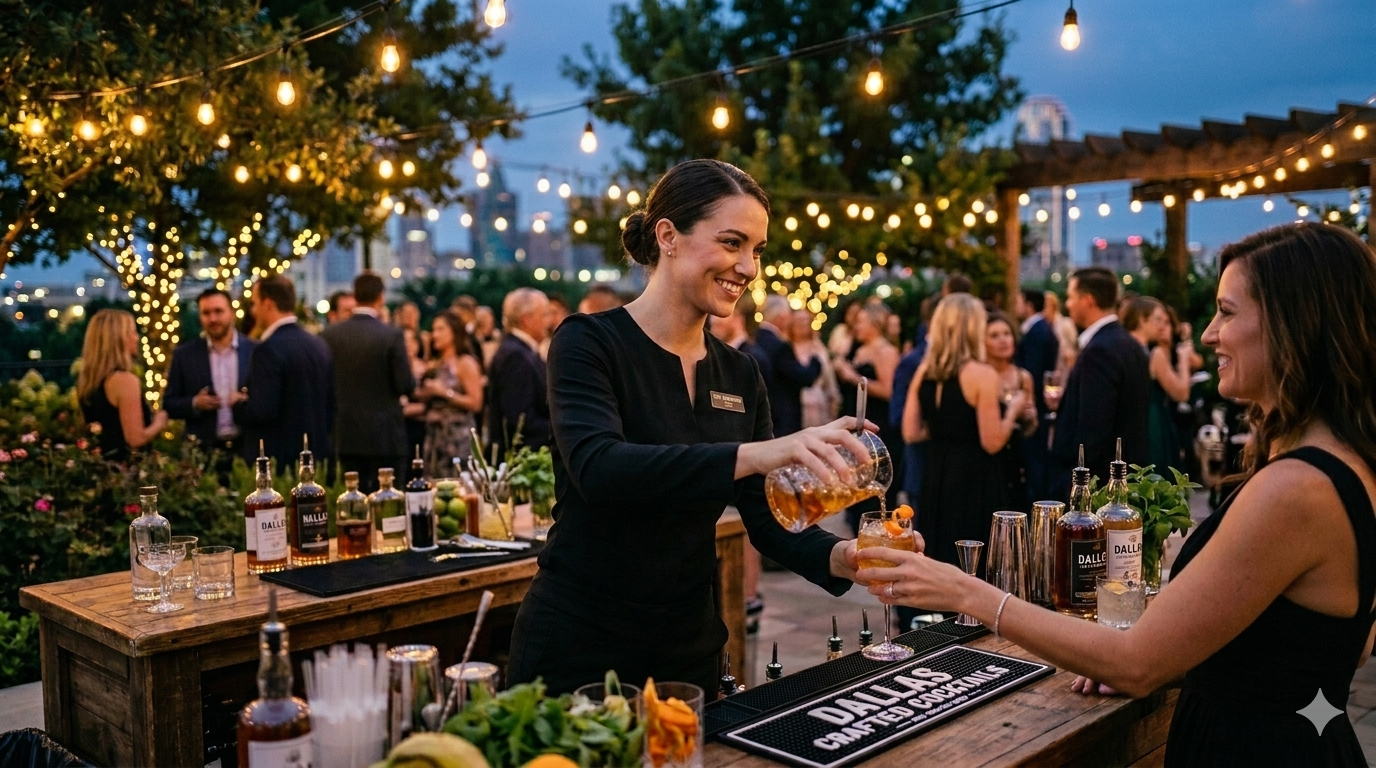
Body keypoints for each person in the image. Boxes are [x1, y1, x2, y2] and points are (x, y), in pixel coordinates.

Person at [863, 222, 1376, 766]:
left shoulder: (1297, 488)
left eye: (1226, 311)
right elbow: (1328, 647)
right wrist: (1179, 652)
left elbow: (1136, 662)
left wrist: (966, 592)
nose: (1207, 333)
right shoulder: (1346, 463)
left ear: (1294, 324)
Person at [510, 159, 868, 694]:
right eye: (731, 242)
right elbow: (601, 469)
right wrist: (759, 453)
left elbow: (767, 518)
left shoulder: (740, 372)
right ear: (668, 236)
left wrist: (847, 558)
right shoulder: (589, 342)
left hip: (688, 651)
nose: (747, 267)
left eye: (757, 250)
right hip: (580, 649)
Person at [901, 294, 1026, 572]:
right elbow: (992, 442)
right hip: (974, 478)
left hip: (937, 474)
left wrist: (945, 430)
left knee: (940, 558)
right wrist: (1014, 411)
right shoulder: (982, 374)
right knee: (974, 567)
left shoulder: (925, 371)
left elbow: (911, 431)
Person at [1049, 266, 1150, 484]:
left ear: (1087, 300)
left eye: (1070, 297)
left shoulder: (1099, 351)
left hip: (1099, 485)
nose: (1068, 304)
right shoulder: (1129, 343)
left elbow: (1094, 429)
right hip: (1124, 475)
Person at [320, 272, 415, 491]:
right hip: (385, 437)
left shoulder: (329, 336)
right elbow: (405, 385)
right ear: (381, 297)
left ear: (354, 296)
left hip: (345, 436)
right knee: (388, 507)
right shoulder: (391, 336)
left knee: (352, 505)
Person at [234, 275, 334, 473]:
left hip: (281, 462)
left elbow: (263, 411)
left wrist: (238, 404)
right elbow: (331, 406)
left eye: (254, 303)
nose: (253, 311)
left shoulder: (267, 350)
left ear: (268, 303)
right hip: (318, 457)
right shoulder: (318, 344)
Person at [163, 288, 256, 470]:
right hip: (202, 455)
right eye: (206, 313)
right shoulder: (185, 355)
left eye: (218, 311)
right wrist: (194, 403)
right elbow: (168, 403)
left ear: (232, 313)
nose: (213, 319)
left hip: (246, 450)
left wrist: (246, 400)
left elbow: (269, 398)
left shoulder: (255, 350)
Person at [835, 302, 902, 531]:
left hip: (877, 428)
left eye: (861, 321)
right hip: (856, 429)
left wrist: (853, 377)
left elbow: (888, 390)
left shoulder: (886, 351)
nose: (856, 326)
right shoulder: (858, 348)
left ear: (875, 323)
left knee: (874, 492)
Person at [77, 309, 170, 462]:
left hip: (99, 467)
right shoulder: (124, 380)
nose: (137, 338)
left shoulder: (88, 381)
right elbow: (135, 439)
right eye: (132, 332)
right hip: (125, 471)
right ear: (119, 339)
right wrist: (160, 422)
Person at [1121, 296, 1194, 476]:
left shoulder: (1127, 348)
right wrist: (1184, 359)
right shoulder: (1154, 354)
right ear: (1141, 319)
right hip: (1153, 421)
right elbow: (1181, 393)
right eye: (1158, 319)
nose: (1162, 325)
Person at [486, 288, 552, 459]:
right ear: (526, 319)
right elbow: (521, 420)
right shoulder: (515, 356)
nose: (549, 321)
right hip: (521, 461)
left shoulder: (522, 351)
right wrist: (565, 428)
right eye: (544, 315)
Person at [420, 311, 484, 475]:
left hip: (457, 438)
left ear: (454, 332)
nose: (435, 335)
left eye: (440, 329)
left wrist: (444, 393)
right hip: (435, 436)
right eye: (434, 330)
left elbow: (476, 403)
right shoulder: (435, 365)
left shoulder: (465, 363)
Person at [986, 311, 1038, 505]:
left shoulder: (1023, 377)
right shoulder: (979, 377)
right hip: (989, 460)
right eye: (994, 335)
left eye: (1007, 334)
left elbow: (1030, 429)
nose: (1003, 340)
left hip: (1016, 459)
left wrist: (1030, 418)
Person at [1014, 288, 1060, 503]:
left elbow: (1031, 370)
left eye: (1019, 301)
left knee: (1035, 461)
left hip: (1035, 406)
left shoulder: (1037, 332)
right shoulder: (1042, 328)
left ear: (1029, 305)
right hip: (1040, 404)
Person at [756, 295, 821, 436]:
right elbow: (805, 377)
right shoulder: (780, 346)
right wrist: (815, 358)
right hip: (782, 419)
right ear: (781, 317)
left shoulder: (755, 339)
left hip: (761, 414)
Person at [790, 310, 840, 429]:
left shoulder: (818, 348)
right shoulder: (786, 349)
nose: (802, 325)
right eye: (798, 321)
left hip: (818, 407)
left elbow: (829, 380)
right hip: (795, 407)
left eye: (805, 321)